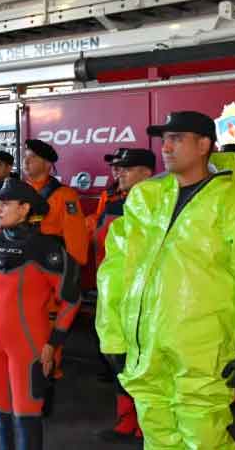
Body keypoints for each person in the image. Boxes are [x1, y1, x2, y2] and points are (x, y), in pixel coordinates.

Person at [96, 111, 235, 450]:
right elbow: (115, 271)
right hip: (145, 350)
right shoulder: (144, 200)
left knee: (204, 438)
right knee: (157, 435)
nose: (166, 147)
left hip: (202, 350)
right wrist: (112, 336)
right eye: (164, 139)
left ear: (203, 145)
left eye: (177, 139)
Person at [0, 178, 81, 450]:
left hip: (29, 346)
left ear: (24, 209)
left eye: (5, 203)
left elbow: (70, 299)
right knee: (0, 414)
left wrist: (53, 344)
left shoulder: (48, 249)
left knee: (26, 417)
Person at [89, 148, 155, 445]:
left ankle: (147, 426)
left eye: (126, 168)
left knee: (143, 363)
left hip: (143, 295)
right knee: (119, 361)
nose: (119, 173)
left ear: (146, 172)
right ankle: (125, 420)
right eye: (117, 168)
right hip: (113, 291)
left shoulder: (158, 205)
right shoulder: (115, 201)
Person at [21, 138, 89, 414]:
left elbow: (76, 245)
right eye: (25, 157)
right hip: (18, 277)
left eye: (32, 158)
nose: (26, 161)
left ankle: (45, 386)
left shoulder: (64, 197)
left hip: (49, 278)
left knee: (47, 332)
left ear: (48, 164)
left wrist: (71, 281)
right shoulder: (17, 193)